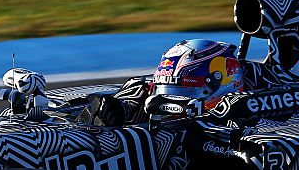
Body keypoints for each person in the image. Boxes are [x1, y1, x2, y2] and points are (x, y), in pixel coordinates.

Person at [78, 39, 245, 126]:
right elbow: (126, 104)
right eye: (167, 89)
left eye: (184, 91)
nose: (169, 99)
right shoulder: (143, 91)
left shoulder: (248, 113)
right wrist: (113, 110)